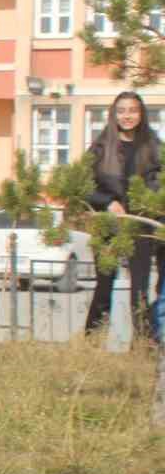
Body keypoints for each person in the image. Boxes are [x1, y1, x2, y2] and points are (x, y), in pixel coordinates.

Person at [82, 92, 160, 342]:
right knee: (104, 286)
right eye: (122, 110)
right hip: (108, 227)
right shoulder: (101, 147)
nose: (127, 116)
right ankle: (91, 345)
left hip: (140, 226)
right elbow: (84, 186)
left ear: (142, 113)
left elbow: (159, 186)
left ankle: (142, 347)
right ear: (114, 114)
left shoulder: (154, 147)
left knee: (140, 289)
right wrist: (108, 202)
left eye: (133, 110)